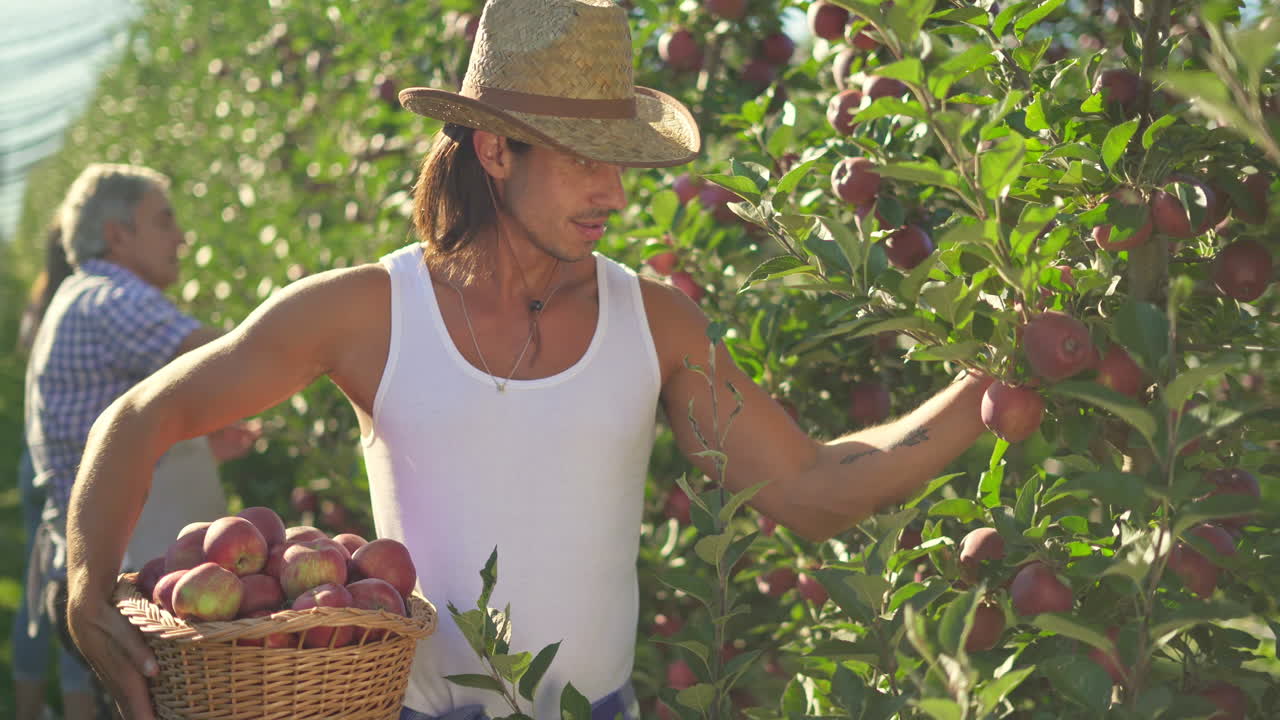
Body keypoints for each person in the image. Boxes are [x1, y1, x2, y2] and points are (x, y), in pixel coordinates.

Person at [63, 2, 994, 719]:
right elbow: (142, 419)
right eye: (586, 160)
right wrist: (84, 589)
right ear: (495, 149)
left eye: (621, 161)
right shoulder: (368, 313)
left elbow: (811, 487)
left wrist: (984, 389)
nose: (615, 194)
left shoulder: (655, 322)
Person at [23, 164, 258, 718]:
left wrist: (195, 448)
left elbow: (120, 428)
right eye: (164, 219)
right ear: (117, 234)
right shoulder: (112, 298)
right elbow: (236, 360)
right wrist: (328, 338)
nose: (181, 236)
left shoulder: (79, 298)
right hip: (127, 588)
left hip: (101, 574)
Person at [12, 226, 97, 720]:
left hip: (33, 455)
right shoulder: (84, 306)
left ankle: (25, 709)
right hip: (67, 463)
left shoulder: (43, 302)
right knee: (73, 589)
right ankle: (78, 707)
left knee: (36, 583)